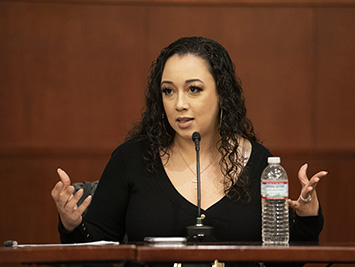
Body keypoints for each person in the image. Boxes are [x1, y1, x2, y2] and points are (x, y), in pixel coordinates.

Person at [51, 37, 327, 248]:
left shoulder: (259, 163)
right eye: (168, 91)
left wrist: (307, 217)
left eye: (194, 89)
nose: (179, 104)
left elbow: (285, 261)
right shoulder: (130, 159)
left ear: (222, 94)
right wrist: (72, 224)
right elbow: (96, 251)